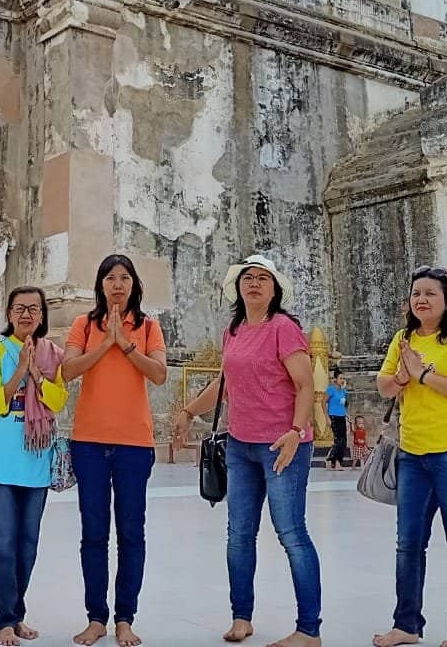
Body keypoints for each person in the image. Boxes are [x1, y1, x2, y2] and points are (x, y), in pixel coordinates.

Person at [174, 254, 322, 647]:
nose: (254, 284)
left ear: (275, 289)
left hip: (282, 446)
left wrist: (296, 430)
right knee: (239, 534)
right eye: (247, 278)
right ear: (238, 288)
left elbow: (305, 385)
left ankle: (309, 629)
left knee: (291, 533)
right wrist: (188, 411)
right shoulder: (234, 330)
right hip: (240, 446)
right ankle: (242, 617)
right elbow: (224, 385)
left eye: (263, 279)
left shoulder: (284, 329)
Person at [372, 265, 447, 647]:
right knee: (408, 543)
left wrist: (424, 376)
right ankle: (407, 624)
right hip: (413, 454)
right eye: (416, 293)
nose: (421, 300)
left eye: (430, 294)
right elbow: (384, 384)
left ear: (446, 300)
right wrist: (402, 378)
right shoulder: (403, 339)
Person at [62, 254, 168, 647]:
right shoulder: (83, 324)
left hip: (134, 445)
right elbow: (68, 371)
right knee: (93, 533)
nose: (118, 284)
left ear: (135, 284)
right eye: (110, 278)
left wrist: (125, 345)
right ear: (101, 285)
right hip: (89, 442)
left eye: (125, 277)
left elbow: (158, 374)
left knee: (131, 533)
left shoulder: (148, 326)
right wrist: (104, 342)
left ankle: (125, 618)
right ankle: (96, 618)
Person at [0, 286, 69, 646]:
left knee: (27, 543)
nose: (26, 314)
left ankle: (18, 612)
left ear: (42, 315)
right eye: (19, 308)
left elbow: (58, 400)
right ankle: (6, 620)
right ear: (9, 314)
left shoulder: (53, 354)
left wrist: (38, 375)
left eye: (33, 309)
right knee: (1, 541)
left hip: (35, 459)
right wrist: (22, 370)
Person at [324, 368, 349, 470]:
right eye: (340, 378)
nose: (342, 380)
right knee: (338, 440)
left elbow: (345, 404)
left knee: (344, 441)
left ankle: (338, 462)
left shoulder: (343, 391)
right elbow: (323, 402)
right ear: (335, 379)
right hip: (333, 416)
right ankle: (329, 459)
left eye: (343, 378)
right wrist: (326, 417)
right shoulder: (331, 389)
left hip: (342, 416)